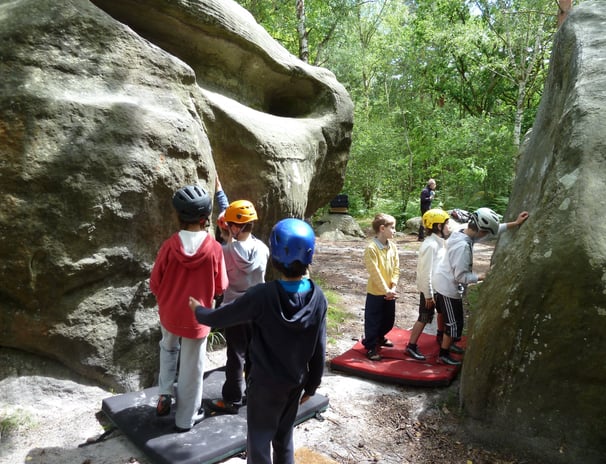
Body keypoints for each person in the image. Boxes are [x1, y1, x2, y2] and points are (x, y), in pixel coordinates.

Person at [189, 218, 327, 464]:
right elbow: (319, 348)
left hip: (264, 384)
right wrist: (313, 384)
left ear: (274, 255)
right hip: (295, 381)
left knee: (259, 439)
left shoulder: (261, 296)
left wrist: (199, 311)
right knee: (284, 437)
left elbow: (222, 317)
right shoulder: (318, 297)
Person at [150, 185, 229, 432]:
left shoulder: (168, 246)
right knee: (192, 368)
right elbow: (221, 286)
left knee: (167, 347)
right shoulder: (214, 248)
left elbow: (155, 283)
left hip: (170, 313)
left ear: (178, 216)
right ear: (205, 218)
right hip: (198, 318)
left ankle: (164, 392)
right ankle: (185, 419)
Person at [433, 207, 529, 365]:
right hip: (447, 287)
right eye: (486, 233)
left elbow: (494, 230)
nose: (486, 236)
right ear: (481, 231)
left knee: (455, 321)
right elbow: (461, 276)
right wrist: (482, 276)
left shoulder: (464, 231)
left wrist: (515, 223)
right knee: (453, 323)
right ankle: (443, 354)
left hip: (447, 282)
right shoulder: (462, 247)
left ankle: (448, 346)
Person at [208, 200, 270, 415]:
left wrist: (226, 236)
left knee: (236, 356)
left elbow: (224, 262)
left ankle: (232, 399)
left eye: (230, 224)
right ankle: (253, 393)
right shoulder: (263, 249)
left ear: (235, 227)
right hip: (259, 310)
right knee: (254, 354)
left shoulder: (224, 251)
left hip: (235, 310)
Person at [405, 208, 451, 361]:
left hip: (440, 287)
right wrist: (428, 295)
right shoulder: (430, 245)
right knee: (424, 317)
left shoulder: (440, 242)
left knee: (442, 314)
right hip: (430, 291)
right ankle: (411, 346)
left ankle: (440, 335)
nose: (448, 227)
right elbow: (425, 272)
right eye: (446, 224)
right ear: (438, 226)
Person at [362, 213, 400, 361]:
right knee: (373, 320)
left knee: (388, 319)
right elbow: (375, 272)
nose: (395, 231)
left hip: (391, 291)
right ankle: (370, 346)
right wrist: (386, 290)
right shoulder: (371, 249)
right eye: (393, 228)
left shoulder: (393, 247)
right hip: (376, 292)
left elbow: (396, 267)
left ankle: (380, 337)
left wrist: (394, 286)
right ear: (382, 228)